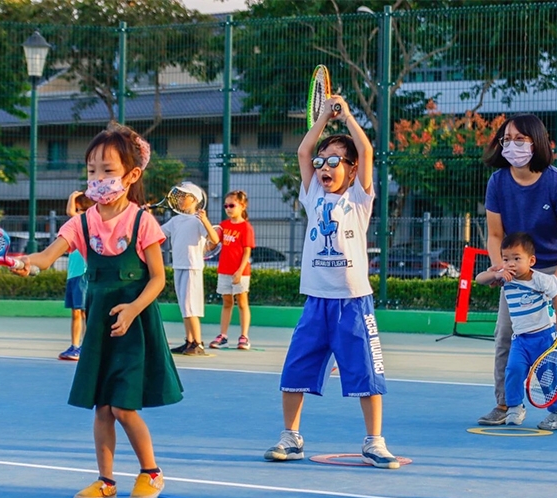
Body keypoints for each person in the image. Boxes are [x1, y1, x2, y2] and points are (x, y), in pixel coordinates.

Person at [14, 122, 183, 498]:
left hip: (135, 327)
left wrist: (133, 308)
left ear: (131, 174)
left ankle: (151, 473)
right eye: (92, 171)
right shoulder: (82, 222)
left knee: (123, 406)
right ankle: (106, 481)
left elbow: (158, 280)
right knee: (102, 407)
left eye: (108, 171)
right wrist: (29, 263)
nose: (98, 179)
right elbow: (47, 255)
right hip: (99, 328)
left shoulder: (143, 222)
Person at [264, 95, 400, 469]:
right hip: (316, 303)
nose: (324, 167)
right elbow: (304, 150)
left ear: (352, 170)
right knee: (294, 371)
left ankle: (374, 441)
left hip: (354, 303)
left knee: (366, 375)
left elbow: (368, 150)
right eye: (321, 162)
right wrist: (323, 117)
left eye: (335, 161)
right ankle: (290, 437)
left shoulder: (358, 199)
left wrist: (349, 116)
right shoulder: (312, 196)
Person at [478, 113, 557, 431]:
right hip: (518, 267)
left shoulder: (556, 181)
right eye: (506, 139)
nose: (512, 145)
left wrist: (552, 283)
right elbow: (495, 235)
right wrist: (501, 268)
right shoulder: (498, 182)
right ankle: (505, 404)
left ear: (536, 143)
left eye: (520, 139)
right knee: (506, 333)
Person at [475, 232, 557, 429]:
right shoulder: (504, 278)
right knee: (513, 370)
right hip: (520, 340)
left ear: (531, 260)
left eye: (517, 258)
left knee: (548, 378)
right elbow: (479, 279)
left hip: (544, 339)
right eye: (506, 258)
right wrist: (496, 273)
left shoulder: (541, 280)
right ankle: (515, 407)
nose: (510, 263)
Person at [161, 181, 220, 356]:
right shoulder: (175, 220)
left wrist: (205, 220)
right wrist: (145, 217)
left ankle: (198, 343)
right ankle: (189, 341)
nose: (179, 199)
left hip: (192, 267)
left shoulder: (198, 220)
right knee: (184, 306)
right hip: (178, 266)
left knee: (191, 306)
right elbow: (158, 233)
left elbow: (215, 239)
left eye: (183, 196)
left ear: (194, 199)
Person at [208, 190, 255, 351]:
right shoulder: (223, 225)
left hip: (240, 272)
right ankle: (223, 336)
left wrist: (239, 271)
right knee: (227, 302)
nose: (228, 208)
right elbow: (213, 243)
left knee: (242, 302)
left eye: (232, 205)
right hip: (224, 271)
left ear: (242, 206)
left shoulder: (246, 227)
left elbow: (247, 251)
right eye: (226, 205)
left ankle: (244, 336)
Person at [58, 191, 94, 361]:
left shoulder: (88, 226)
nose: (76, 213)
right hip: (73, 277)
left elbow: (71, 214)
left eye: (80, 210)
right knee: (76, 313)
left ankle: (87, 347)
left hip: (82, 276)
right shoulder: (75, 232)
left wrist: (72, 196)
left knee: (83, 313)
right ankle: (75, 346)